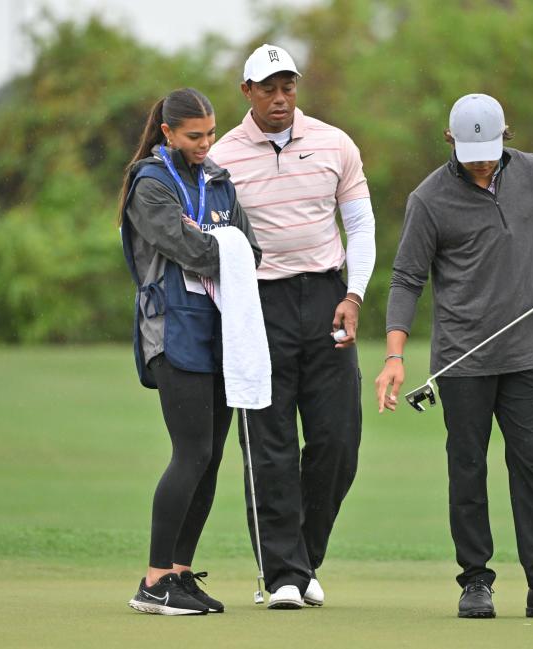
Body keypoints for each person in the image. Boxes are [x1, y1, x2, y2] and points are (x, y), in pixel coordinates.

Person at [374, 94, 533, 619]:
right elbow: (407, 278)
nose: (481, 161)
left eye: (490, 150)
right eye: (470, 151)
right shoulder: (428, 199)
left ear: (507, 137)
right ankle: (476, 581)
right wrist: (394, 354)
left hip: (525, 354)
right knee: (467, 469)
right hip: (463, 359)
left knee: (530, 468)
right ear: (450, 141)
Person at [210, 44, 377, 609]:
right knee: (269, 442)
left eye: (288, 87)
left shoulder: (335, 143)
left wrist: (355, 294)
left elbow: (361, 226)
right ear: (247, 92)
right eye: (268, 88)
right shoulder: (223, 158)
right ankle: (283, 573)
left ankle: (303, 559)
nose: (280, 98)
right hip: (259, 304)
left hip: (329, 297)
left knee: (338, 439)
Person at [118, 87, 262, 616]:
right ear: (168, 134)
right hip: (171, 329)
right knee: (191, 452)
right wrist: (222, 245)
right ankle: (153, 581)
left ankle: (179, 572)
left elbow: (254, 248)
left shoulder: (217, 180)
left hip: (222, 332)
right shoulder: (151, 185)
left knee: (210, 458)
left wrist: (222, 245)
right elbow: (190, 248)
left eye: (211, 133)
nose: (206, 144)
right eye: (194, 136)